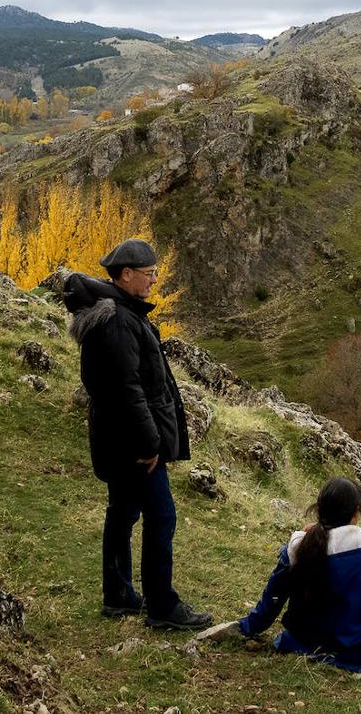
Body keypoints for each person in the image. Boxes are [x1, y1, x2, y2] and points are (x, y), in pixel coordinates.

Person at [63, 238, 212, 630]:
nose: (153, 281)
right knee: (161, 516)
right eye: (148, 275)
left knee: (124, 512)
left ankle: (119, 594)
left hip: (117, 439)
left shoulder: (120, 312)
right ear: (125, 275)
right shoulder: (117, 321)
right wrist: (151, 444)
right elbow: (128, 390)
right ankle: (162, 606)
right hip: (133, 445)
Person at [199, 477, 361, 681]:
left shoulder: (298, 547)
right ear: (355, 513)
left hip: (306, 637)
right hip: (352, 640)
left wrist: (249, 627)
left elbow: (274, 596)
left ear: (319, 509)